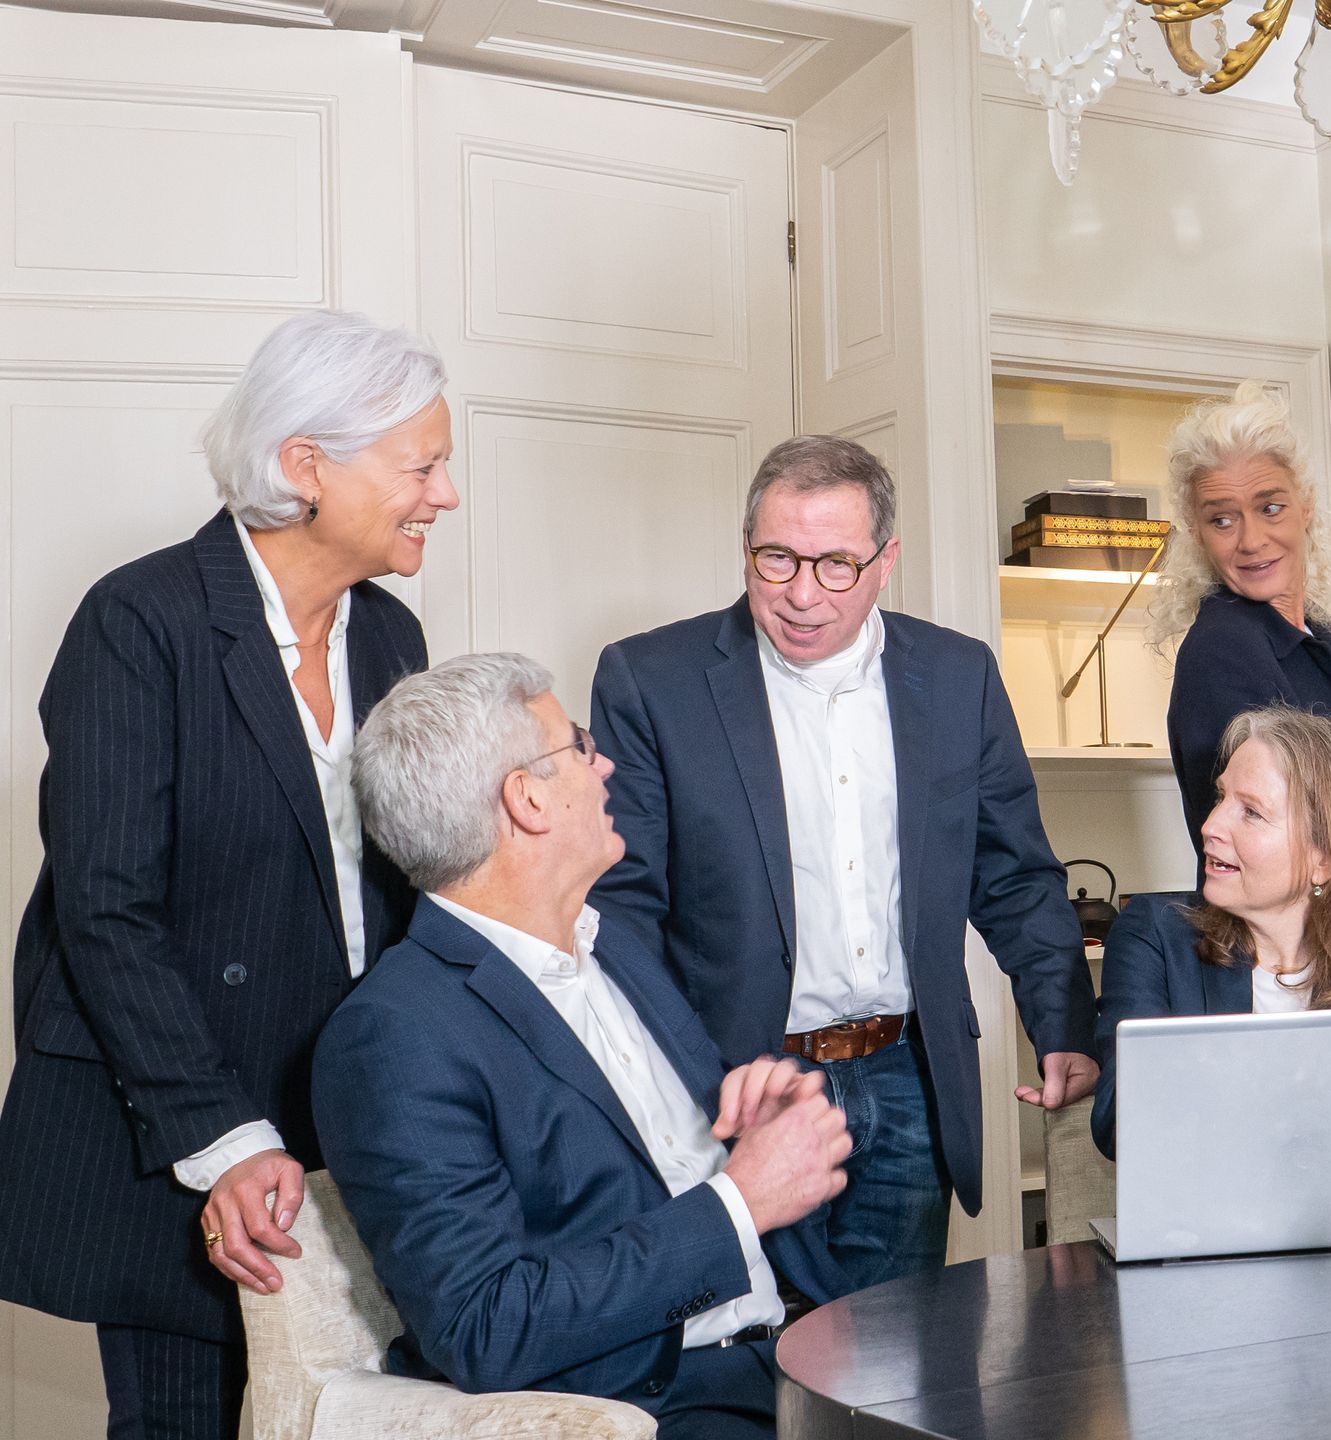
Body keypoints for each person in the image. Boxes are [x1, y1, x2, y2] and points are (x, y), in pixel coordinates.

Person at [0, 310, 458, 1439]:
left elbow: (404, 887)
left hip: (340, 1126)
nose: (443, 495)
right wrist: (231, 1140)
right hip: (176, 1133)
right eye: (423, 465)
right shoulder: (139, 620)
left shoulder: (392, 640)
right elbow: (105, 911)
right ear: (307, 467)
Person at [588, 434, 1097, 1289]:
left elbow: (1013, 876)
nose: (799, 594)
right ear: (746, 546)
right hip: (742, 1081)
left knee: (889, 1373)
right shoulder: (650, 679)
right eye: (776, 559)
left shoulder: (957, 675)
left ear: (885, 561)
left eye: (835, 566)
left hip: (909, 1080)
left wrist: (1063, 1027)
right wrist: (696, 1078)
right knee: (750, 1363)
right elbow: (620, 906)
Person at [313, 654, 852, 1439]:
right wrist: (740, 1201)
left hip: (808, 1349)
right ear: (526, 798)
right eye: (580, 746)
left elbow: (675, 1166)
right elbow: (486, 1328)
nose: (605, 766)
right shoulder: (393, 1036)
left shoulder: (620, 948)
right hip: (662, 1406)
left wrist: (766, 1124)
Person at [1091, 705, 1331, 1159]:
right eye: (1221, 797)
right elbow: (1123, 1124)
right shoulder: (1155, 936)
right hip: (1205, 1226)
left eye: (1251, 812)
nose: (1210, 825)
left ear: (1327, 859)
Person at [1149, 381, 1331, 858]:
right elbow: (1263, 840)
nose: (1252, 540)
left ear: (1306, 506)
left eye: (1269, 508)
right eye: (1222, 520)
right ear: (1197, 532)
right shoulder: (1224, 647)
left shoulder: (1315, 636)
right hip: (1284, 931)